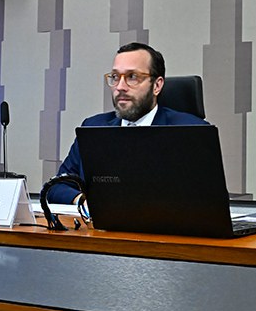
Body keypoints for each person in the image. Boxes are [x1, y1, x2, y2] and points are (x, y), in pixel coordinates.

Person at [47, 42, 208, 204]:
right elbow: (56, 187)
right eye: (115, 77)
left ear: (157, 85)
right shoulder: (92, 127)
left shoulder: (193, 132)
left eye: (132, 77)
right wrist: (84, 201)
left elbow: (208, 199)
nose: (120, 87)